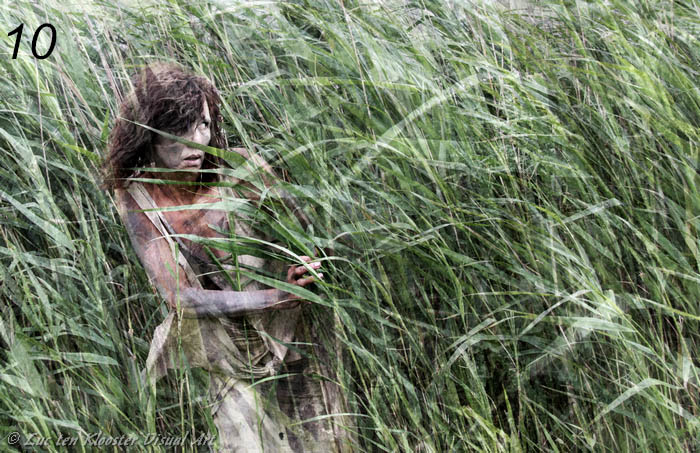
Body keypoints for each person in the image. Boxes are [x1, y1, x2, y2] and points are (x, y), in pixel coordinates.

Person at [101, 62, 352, 452]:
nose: (196, 142)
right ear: (148, 133)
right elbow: (181, 296)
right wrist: (273, 295)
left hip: (293, 333)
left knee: (321, 442)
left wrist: (306, 272)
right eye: (178, 130)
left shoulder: (239, 167)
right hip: (225, 352)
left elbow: (312, 237)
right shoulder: (139, 198)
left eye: (202, 124)